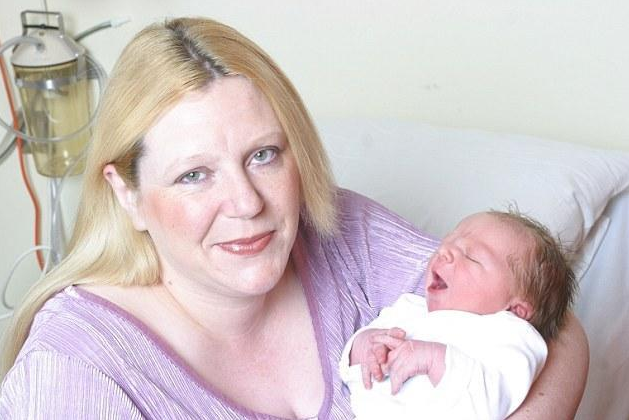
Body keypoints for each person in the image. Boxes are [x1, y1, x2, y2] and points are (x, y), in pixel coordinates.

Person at [0, 17, 588, 419]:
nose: (247, 203)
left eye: (263, 155)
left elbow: (554, 328)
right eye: (194, 175)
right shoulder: (74, 370)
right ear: (127, 193)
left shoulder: (345, 236)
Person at [339, 211, 576, 419]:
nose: (443, 251)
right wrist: (367, 346)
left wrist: (435, 360)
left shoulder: (512, 335)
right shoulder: (409, 309)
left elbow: (491, 402)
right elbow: (351, 372)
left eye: (471, 256)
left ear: (515, 310)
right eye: (447, 241)